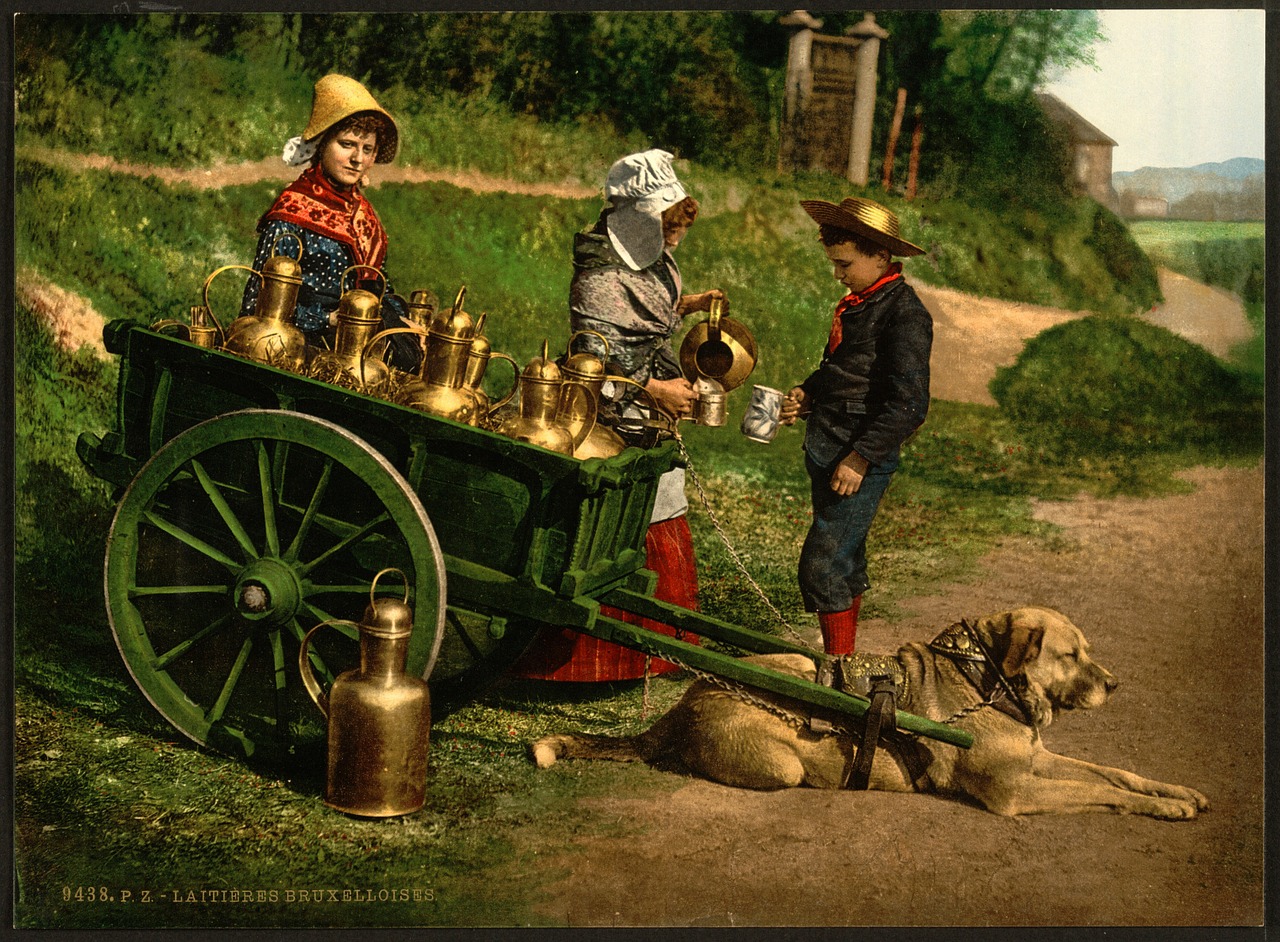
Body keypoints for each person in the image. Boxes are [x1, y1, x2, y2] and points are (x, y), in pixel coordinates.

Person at [511, 149, 726, 682]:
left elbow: (647, 316)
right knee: (614, 512)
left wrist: (689, 303)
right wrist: (655, 390)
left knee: (661, 500)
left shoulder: (645, 255)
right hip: (607, 407)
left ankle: (659, 654)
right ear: (632, 215)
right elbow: (598, 361)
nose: (672, 236)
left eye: (676, 225)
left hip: (648, 400)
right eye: (665, 223)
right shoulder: (600, 276)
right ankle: (589, 667)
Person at [779, 196, 932, 656]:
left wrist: (860, 458)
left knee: (822, 567)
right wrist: (809, 394)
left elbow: (909, 404)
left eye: (844, 264)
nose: (837, 274)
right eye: (833, 264)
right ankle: (845, 661)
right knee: (845, 561)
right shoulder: (863, 303)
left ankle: (838, 671)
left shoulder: (905, 315)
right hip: (829, 450)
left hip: (856, 463)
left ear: (881, 256)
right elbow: (845, 368)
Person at [240, 73, 419, 370]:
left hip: (357, 351)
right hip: (295, 350)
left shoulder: (365, 217)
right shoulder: (293, 211)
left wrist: (401, 321)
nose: (357, 159)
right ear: (322, 145)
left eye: (367, 149)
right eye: (347, 144)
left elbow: (377, 284)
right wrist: (328, 319)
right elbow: (258, 300)